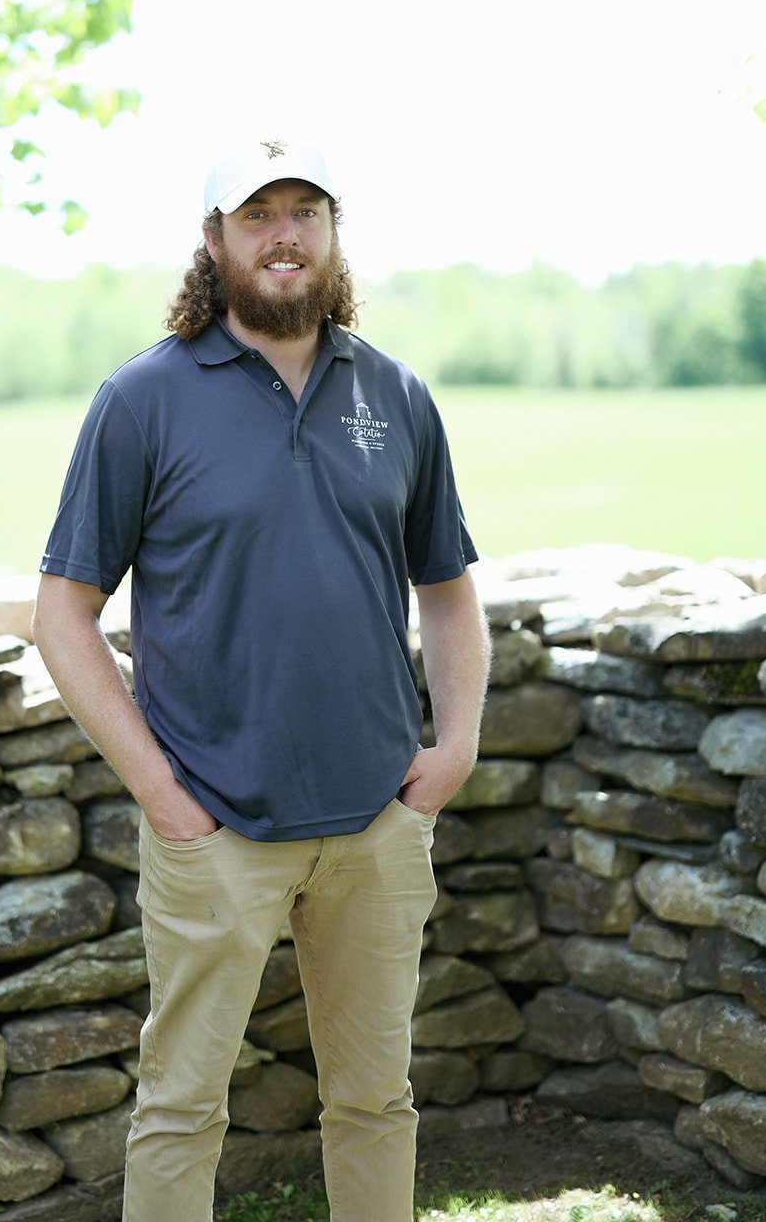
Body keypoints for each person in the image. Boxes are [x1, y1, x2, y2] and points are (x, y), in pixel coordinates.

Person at [33, 138, 489, 1222]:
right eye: (254, 214)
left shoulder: (396, 395)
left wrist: (454, 746)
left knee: (376, 1099)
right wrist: (162, 795)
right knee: (182, 1104)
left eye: (305, 211)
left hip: (376, 819)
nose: (282, 233)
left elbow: (449, 590)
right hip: (214, 829)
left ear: (332, 235)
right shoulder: (142, 399)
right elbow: (62, 615)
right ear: (213, 241)